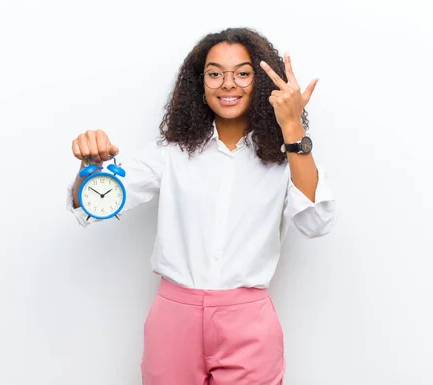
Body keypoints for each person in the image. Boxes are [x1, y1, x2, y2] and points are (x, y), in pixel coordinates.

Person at [66, 27, 335, 385]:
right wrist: (88, 171)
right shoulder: (171, 155)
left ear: (261, 82)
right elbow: (92, 204)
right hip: (174, 319)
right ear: (200, 83)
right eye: (214, 73)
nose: (228, 84)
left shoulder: (285, 159)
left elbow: (316, 223)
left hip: (249, 321)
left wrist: (292, 128)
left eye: (242, 73)